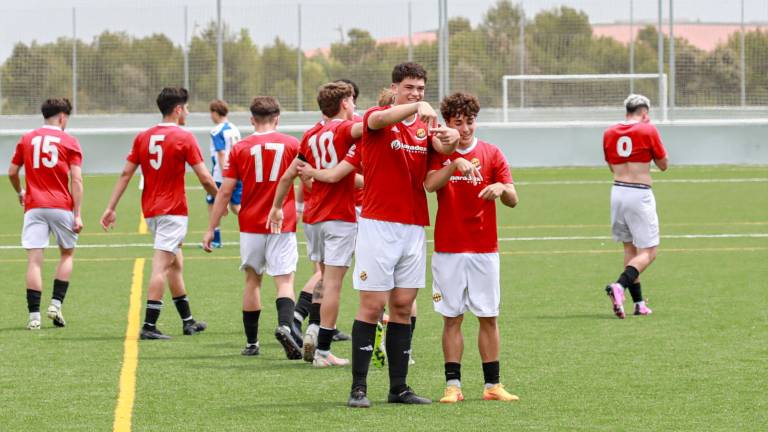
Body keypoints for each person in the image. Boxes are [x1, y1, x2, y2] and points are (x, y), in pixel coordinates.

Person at [343, 62, 464, 408]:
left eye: (421, 89)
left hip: (413, 227)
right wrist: (414, 107)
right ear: (395, 88)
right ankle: (358, 388)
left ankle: (399, 388)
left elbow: (435, 169)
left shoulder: (425, 130)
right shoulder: (378, 117)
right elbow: (378, 121)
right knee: (372, 305)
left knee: (402, 306)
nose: (416, 93)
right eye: (409, 87)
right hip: (379, 225)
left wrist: (452, 141)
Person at [424, 92, 520, 403]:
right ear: (447, 124)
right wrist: (454, 164)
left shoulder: (492, 153)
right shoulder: (439, 151)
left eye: (470, 121)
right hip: (449, 249)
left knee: (488, 316)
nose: (465, 129)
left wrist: (501, 188)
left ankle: (492, 385)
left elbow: (513, 198)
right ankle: (453, 386)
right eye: (458, 123)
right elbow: (429, 185)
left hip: (484, 249)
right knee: (452, 318)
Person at [100, 87, 216, 340]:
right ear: (177, 109)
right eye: (186, 107)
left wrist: (111, 207)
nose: (188, 112)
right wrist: (221, 199)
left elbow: (126, 174)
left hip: (151, 211)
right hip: (172, 211)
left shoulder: (143, 137)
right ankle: (149, 326)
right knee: (161, 267)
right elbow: (205, 177)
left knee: (176, 264)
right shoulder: (184, 137)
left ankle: (188, 321)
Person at [268, 82, 363, 367]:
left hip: (314, 218)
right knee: (334, 283)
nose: (355, 107)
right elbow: (369, 128)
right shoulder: (346, 129)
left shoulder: (310, 135)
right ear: (345, 103)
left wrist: (276, 208)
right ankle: (322, 349)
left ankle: (310, 327)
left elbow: (287, 177)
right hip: (339, 217)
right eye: (352, 102)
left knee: (323, 278)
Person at [202, 96, 303, 359]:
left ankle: (252, 343)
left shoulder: (240, 148)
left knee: (252, 280)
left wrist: (212, 227)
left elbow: (225, 191)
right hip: (283, 221)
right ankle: (285, 326)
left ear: (251, 120)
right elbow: (308, 182)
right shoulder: (293, 144)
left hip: (250, 223)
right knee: (284, 280)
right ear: (277, 118)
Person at [8, 98, 83, 330]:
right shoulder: (69, 141)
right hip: (61, 206)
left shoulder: (27, 138)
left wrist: (21, 191)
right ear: (62, 117)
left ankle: (34, 317)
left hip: (34, 207)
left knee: (34, 261)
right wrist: (77, 213)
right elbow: (77, 179)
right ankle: (55, 304)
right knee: (67, 254)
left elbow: (12, 171)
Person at [603, 94, 668, 318]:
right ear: (645, 113)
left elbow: (612, 167)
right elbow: (663, 165)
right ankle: (620, 286)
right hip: (639, 193)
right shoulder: (648, 130)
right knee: (649, 252)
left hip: (617, 192)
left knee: (629, 249)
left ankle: (638, 304)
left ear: (626, 111)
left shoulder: (609, 132)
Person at [205, 99, 242, 248]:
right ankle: (257, 226)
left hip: (222, 174)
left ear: (215, 113)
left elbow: (221, 153)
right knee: (236, 206)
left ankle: (215, 239)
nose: (210, 116)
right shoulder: (234, 129)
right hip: (237, 171)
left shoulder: (216, 130)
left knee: (212, 202)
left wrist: (226, 172)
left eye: (211, 113)